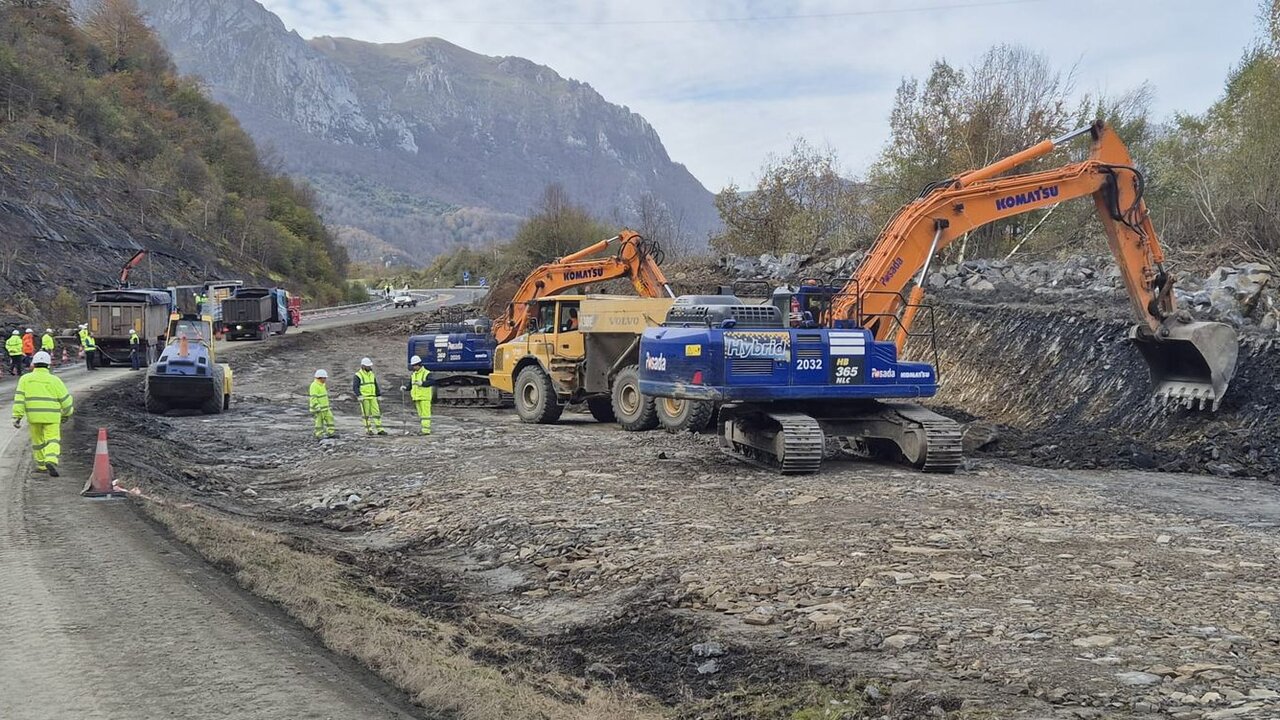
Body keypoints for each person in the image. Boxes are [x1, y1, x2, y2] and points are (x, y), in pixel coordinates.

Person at [12, 351, 74, 477]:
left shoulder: (25, 379)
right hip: (52, 417)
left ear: (33, 364)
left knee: (38, 442)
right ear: (49, 365)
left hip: (33, 417)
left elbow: (19, 399)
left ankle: (41, 466)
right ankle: (51, 460)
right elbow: (66, 401)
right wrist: (67, 414)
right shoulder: (54, 380)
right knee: (53, 439)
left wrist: (17, 417)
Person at [401, 355, 435, 436]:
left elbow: (432, 382)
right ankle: (423, 429)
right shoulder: (413, 375)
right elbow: (410, 385)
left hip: (424, 398)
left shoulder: (426, 373)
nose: (413, 367)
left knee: (425, 415)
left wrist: (422, 383)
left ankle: (426, 431)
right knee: (421, 415)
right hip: (417, 398)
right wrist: (405, 388)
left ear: (418, 364)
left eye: (414, 366)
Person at [351, 357, 386, 436]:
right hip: (364, 398)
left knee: (376, 413)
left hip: (373, 397)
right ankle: (368, 429)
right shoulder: (358, 375)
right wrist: (359, 395)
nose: (370, 367)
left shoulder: (371, 374)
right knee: (366, 415)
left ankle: (380, 429)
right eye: (368, 366)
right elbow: (355, 387)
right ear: (363, 366)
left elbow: (375, 384)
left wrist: (378, 394)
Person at [309, 369, 337, 439]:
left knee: (330, 419)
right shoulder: (314, 385)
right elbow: (313, 398)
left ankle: (331, 433)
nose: (325, 379)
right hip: (319, 409)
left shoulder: (322, 385)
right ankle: (319, 435)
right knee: (319, 422)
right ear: (319, 378)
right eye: (324, 378)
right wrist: (317, 406)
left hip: (325, 408)